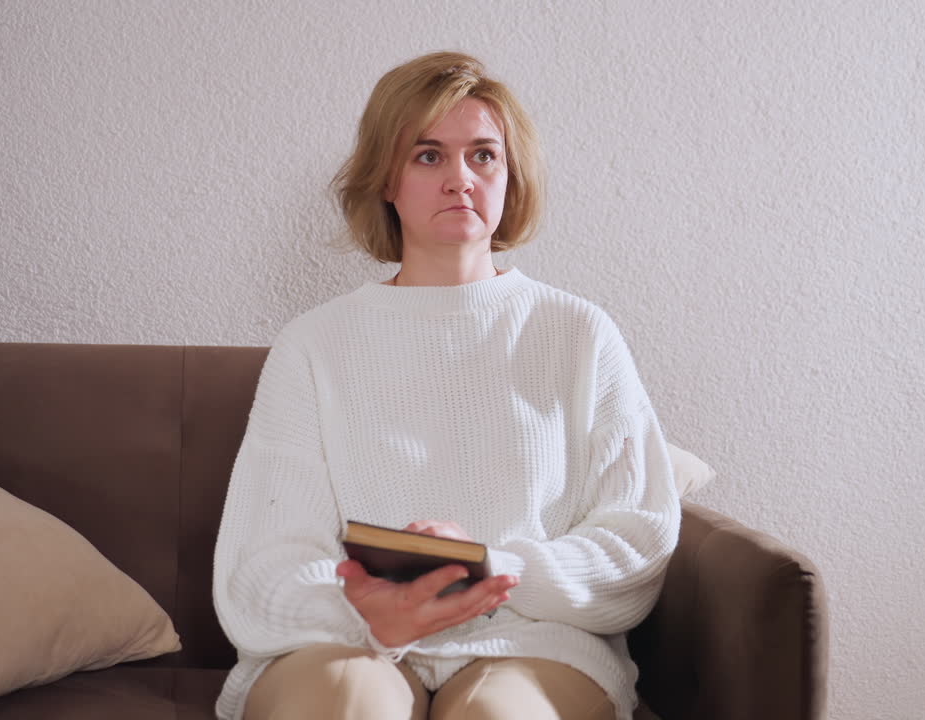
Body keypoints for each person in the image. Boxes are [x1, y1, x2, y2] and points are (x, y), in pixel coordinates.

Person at [211, 51, 681, 720]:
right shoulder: (313, 344)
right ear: (386, 179)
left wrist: (497, 567)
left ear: (510, 177)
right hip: (345, 639)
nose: (460, 178)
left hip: (534, 642)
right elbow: (263, 563)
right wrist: (365, 612)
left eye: (483, 155)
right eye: (429, 156)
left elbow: (636, 537)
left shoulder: (579, 333)